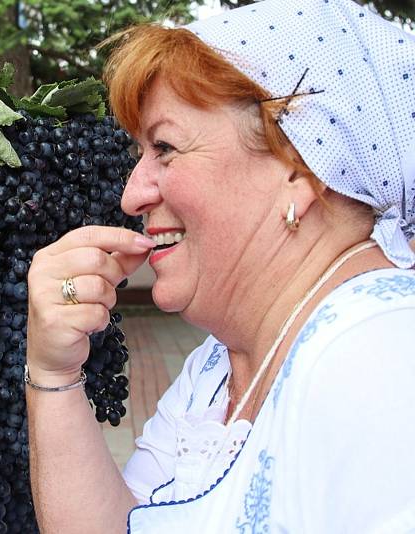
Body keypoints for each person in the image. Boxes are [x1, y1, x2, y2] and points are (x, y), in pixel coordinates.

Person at [24, 0, 415, 532]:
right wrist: (55, 375)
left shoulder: (381, 360)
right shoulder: (220, 366)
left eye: (165, 146)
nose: (131, 194)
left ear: (298, 168)